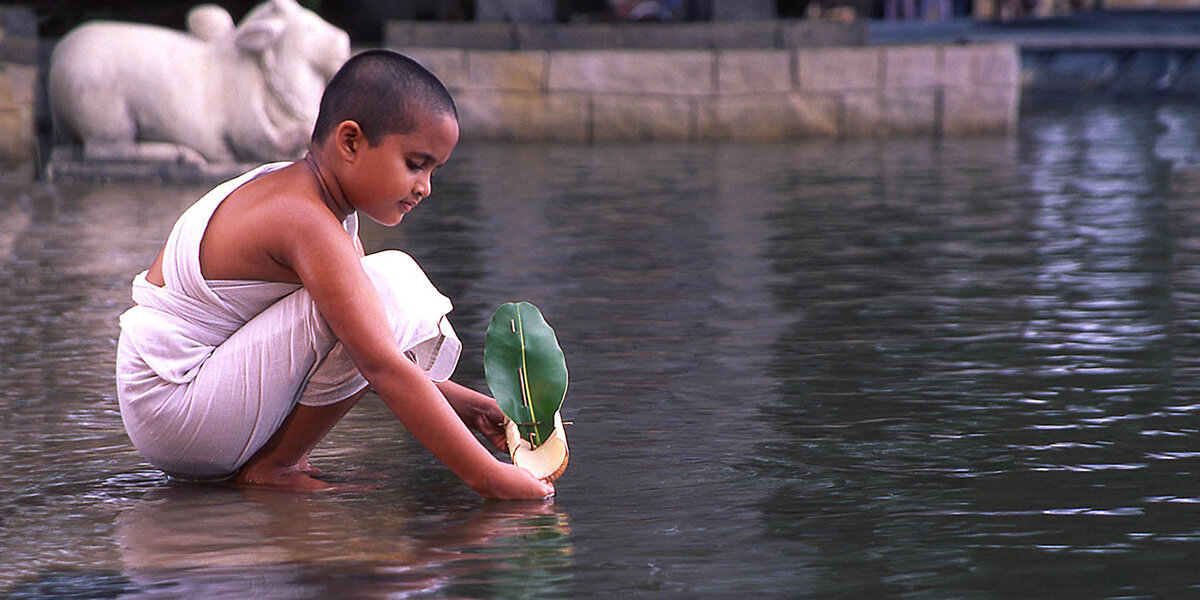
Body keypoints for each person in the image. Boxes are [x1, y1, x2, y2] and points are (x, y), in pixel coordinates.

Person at [115, 49, 555, 500]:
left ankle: (275, 461)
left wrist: (467, 406)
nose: (425, 187)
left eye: (433, 171)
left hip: (176, 408)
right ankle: (276, 466)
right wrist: (490, 477)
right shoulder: (306, 219)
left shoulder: (320, 208)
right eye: (415, 164)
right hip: (176, 407)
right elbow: (378, 362)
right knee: (393, 285)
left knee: (374, 293)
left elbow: (366, 345)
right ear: (350, 142)